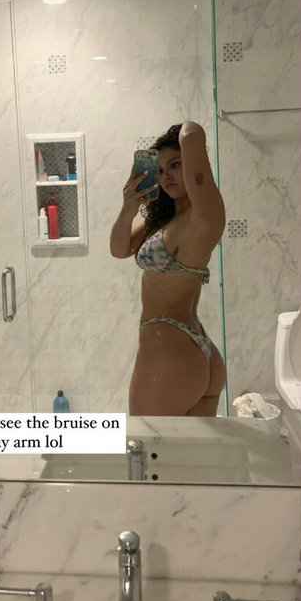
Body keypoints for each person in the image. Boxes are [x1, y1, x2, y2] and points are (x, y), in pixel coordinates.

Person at [110, 121, 226, 416]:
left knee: (149, 444)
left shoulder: (203, 217)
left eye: (175, 165)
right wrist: (129, 206)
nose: (166, 176)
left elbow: (192, 134)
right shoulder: (163, 221)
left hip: (168, 348)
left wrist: (181, 129)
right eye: (160, 170)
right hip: (193, 349)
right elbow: (119, 249)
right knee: (192, 448)